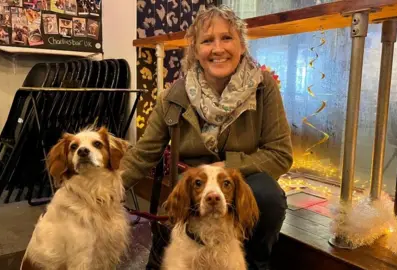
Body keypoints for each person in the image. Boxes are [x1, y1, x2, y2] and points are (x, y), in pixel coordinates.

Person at [121, 5, 293, 270]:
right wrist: (102, 190)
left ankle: (258, 262)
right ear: (195, 50)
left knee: (268, 197)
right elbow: (143, 154)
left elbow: (280, 154)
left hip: (245, 171)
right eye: (207, 40)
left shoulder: (263, 87)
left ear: (241, 45)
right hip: (192, 176)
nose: (218, 48)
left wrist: (227, 168)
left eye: (227, 38)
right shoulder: (173, 96)